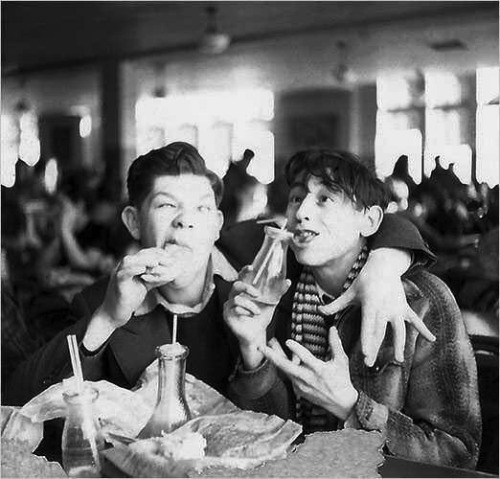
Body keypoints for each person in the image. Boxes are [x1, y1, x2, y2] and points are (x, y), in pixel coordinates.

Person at [5, 142, 432, 407]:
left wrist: (383, 266)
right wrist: (106, 320)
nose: (185, 222)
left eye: (201, 209)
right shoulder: (99, 301)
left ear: (217, 223)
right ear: (134, 222)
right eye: (167, 205)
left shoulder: (258, 278)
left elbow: (368, 227)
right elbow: (20, 404)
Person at [224, 148, 481, 469]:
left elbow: (457, 455)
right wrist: (252, 350)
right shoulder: (277, 289)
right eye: (295, 198)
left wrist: (351, 406)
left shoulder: (421, 299)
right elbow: (260, 439)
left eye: (325, 199)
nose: (302, 211)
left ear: (370, 220)